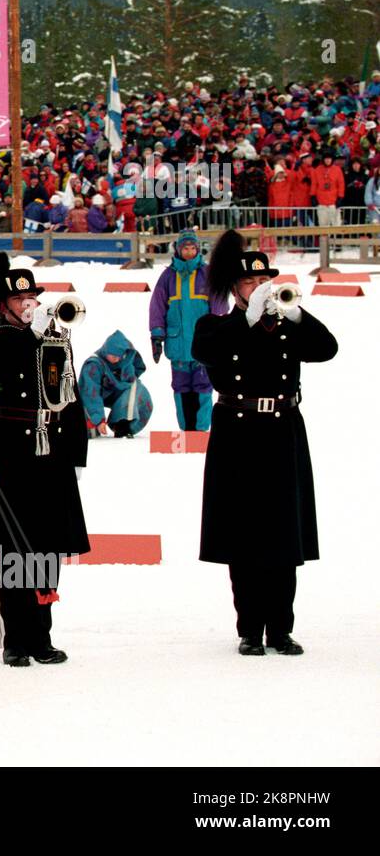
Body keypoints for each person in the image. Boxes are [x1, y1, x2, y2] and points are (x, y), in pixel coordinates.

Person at [193, 230, 338, 656]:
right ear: (234, 288)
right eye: (250, 283)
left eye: (264, 283)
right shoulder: (216, 325)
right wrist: (245, 319)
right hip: (237, 431)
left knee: (283, 532)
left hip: (282, 430)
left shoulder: (286, 325)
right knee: (243, 533)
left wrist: (296, 315)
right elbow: (207, 352)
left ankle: (281, 628)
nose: (260, 289)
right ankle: (249, 629)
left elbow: (327, 349)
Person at [0, 254, 89, 667]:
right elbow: (3, 371)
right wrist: (32, 336)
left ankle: (42, 633)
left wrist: (76, 452)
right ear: (4, 305)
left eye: (31, 295)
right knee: (14, 545)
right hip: (13, 449)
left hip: (50, 450)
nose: (28, 303)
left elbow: (67, 390)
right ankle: (15, 637)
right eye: (19, 298)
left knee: (47, 546)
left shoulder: (53, 337)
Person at [148, 230, 226, 431]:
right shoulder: (167, 276)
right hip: (177, 343)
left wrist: (220, 331)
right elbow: (157, 306)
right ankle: (185, 428)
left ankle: (200, 429)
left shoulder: (208, 274)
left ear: (198, 249)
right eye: (185, 248)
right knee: (180, 386)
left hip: (204, 344)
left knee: (203, 386)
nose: (189, 252)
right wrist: (157, 335)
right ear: (178, 250)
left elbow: (219, 303)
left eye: (193, 248)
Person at [78, 330, 152, 438]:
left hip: (119, 392)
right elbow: (90, 393)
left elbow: (137, 368)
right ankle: (91, 424)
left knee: (135, 387)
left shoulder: (126, 359)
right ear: (106, 351)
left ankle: (122, 424)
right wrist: (99, 420)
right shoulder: (93, 364)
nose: (116, 359)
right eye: (113, 356)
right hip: (95, 395)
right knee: (90, 434)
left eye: (119, 356)